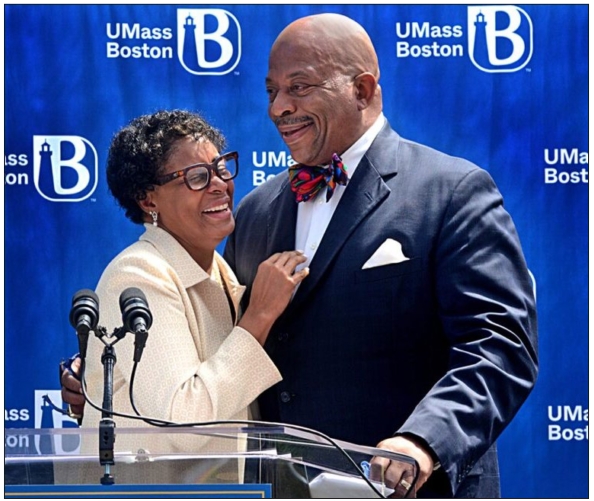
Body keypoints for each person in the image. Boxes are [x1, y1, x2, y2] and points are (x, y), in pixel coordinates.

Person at [62, 13, 538, 497]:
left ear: (362, 89)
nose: (279, 108)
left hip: (407, 488)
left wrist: (423, 441)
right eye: (272, 91)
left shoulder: (450, 192)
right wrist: (108, 374)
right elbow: (216, 342)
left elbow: (500, 347)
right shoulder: (255, 212)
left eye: (299, 87)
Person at [59, 109, 309, 483]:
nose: (219, 185)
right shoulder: (139, 273)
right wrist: (258, 316)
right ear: (148, 200)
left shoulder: (220, 270)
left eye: (221, 168)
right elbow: (181, 423)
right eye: (196, 177)